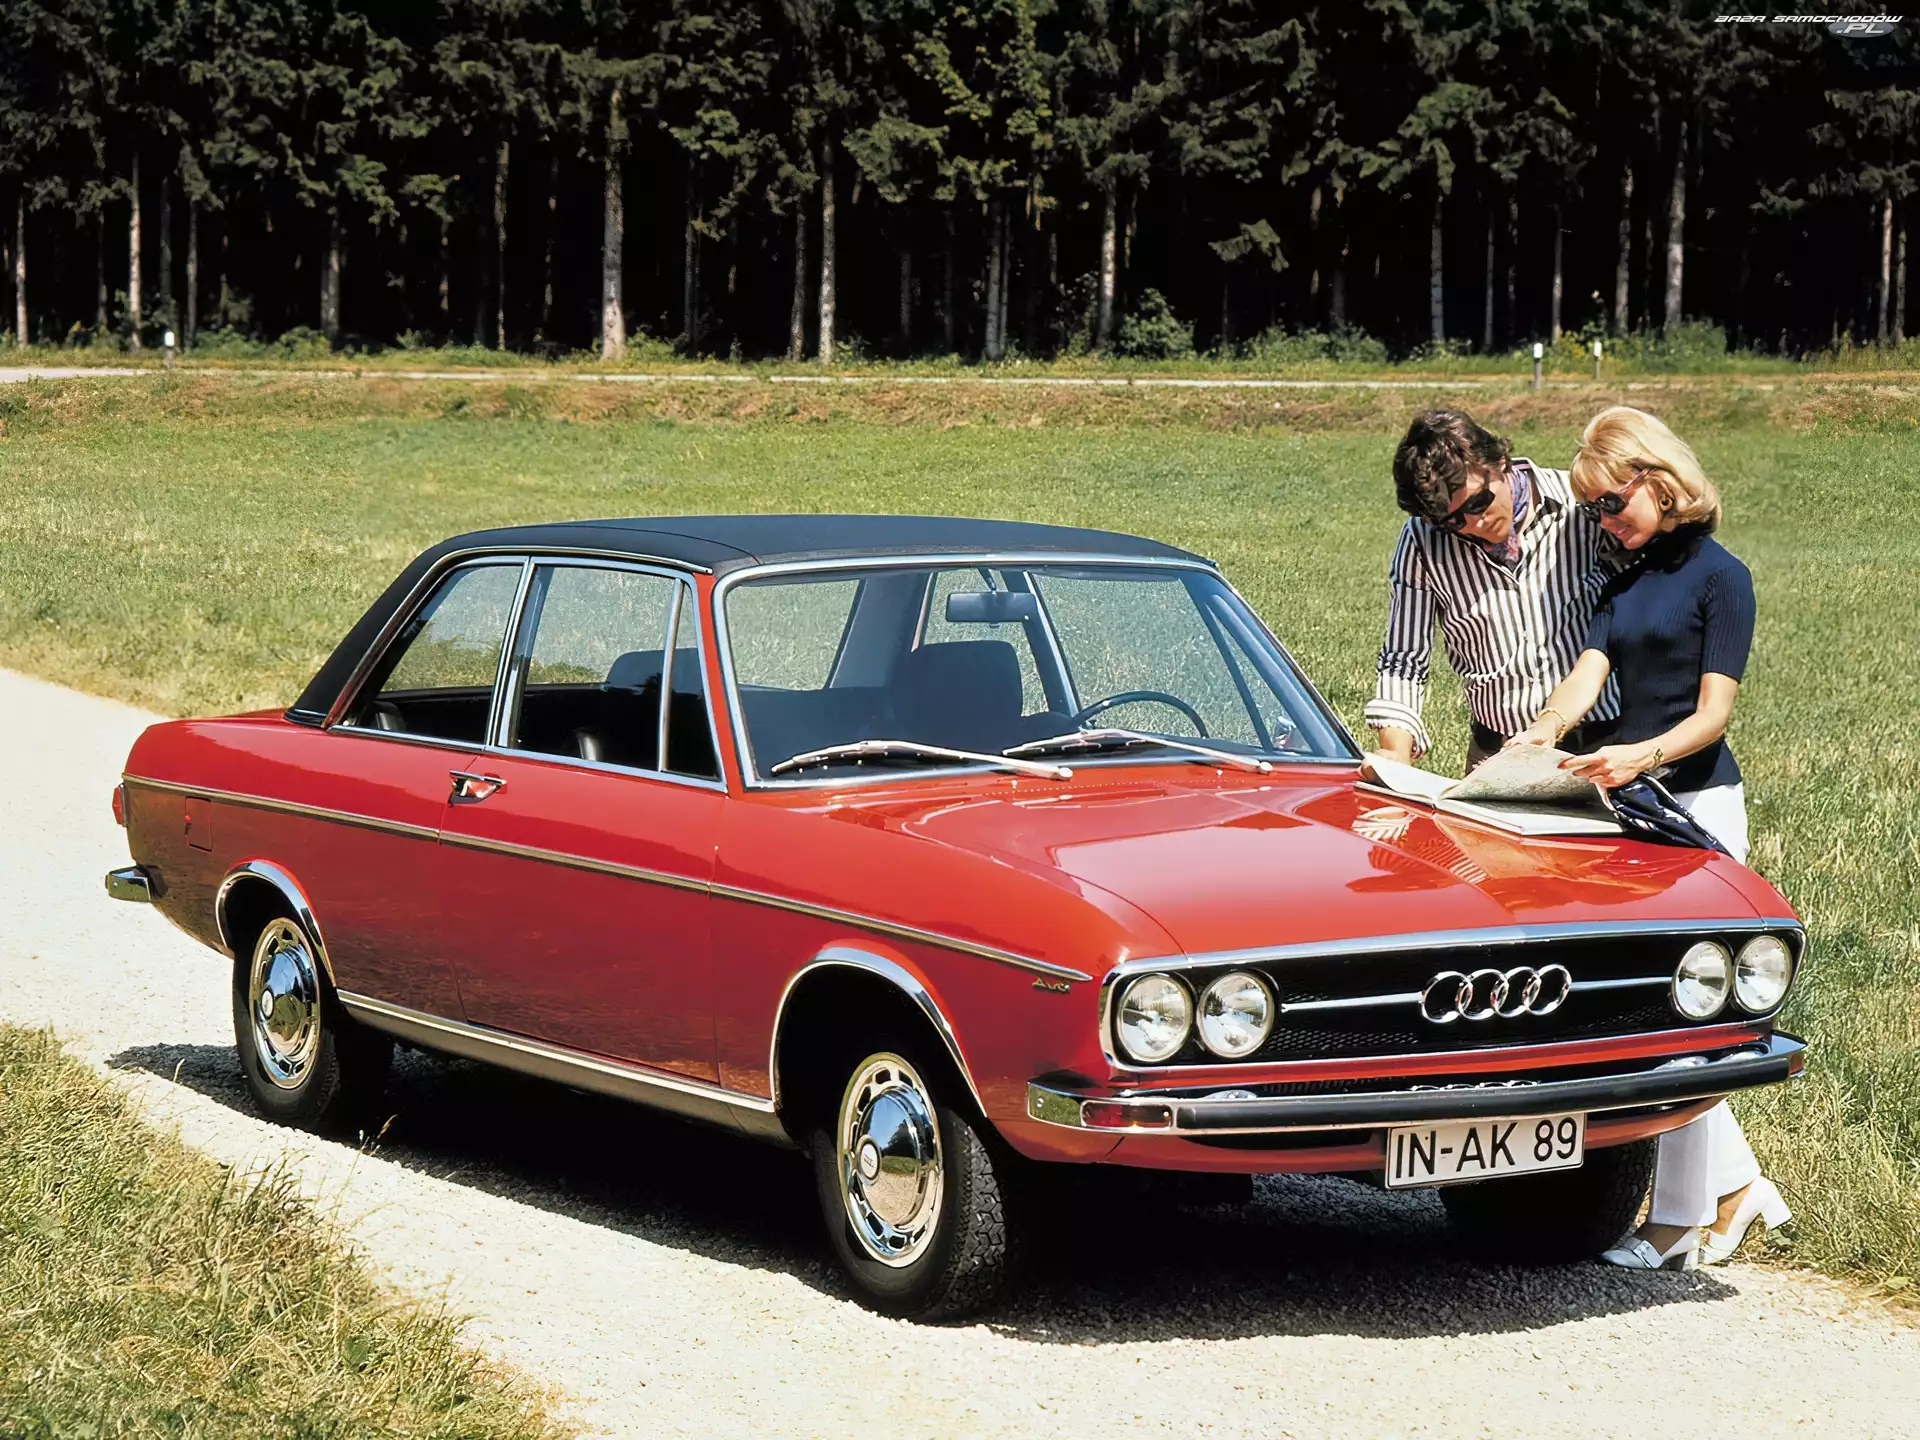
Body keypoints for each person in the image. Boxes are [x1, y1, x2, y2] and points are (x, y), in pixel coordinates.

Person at [1507, 405, 1791, 1270]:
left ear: (1658, 481)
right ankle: (1736, 1192)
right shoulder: (1620, 579)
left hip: (1697, 804)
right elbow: (1584, 676)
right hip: (1633, 807)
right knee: (1651, 1008)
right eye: (1591, 509)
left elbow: (1713, 716)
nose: (1602, 521)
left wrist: (1640, 755)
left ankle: (1677, 1224)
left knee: (1677, 1015)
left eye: (1611, 502)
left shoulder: (1722, 577)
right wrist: (1541, 735)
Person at [1366, 409, 1621, 771]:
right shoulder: (1422, 541)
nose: (1474, 523)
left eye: (1478, 502)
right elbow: (1403, 659)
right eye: (1452, 520)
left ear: (1500, 461)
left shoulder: (1578, 503)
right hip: (1496, 755)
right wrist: (1395, 754)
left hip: (1600, 746)